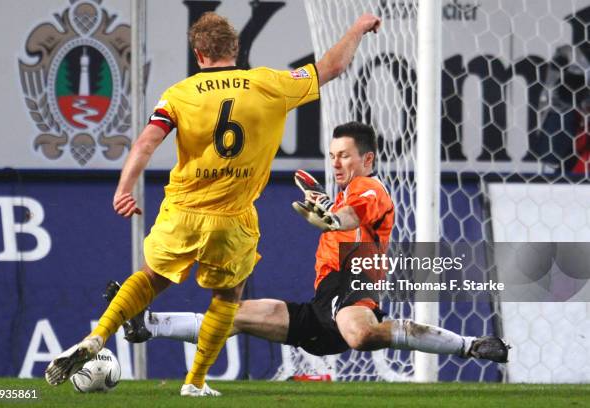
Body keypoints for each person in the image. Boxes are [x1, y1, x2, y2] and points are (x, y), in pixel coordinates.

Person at [45, 12, 382, 397]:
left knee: (151, 276)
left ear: (198, 53)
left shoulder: (179, 93)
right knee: (227, 298)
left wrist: (125, 188)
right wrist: (356, 28)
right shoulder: (270, 84)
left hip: (183, 212)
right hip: (232, 220)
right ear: (235, 49)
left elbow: (144, 144)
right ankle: (195, 382)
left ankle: (96, 336)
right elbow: (333, 66)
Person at [108, 122, 509, 367]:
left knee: (358, 332)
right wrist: (329, 210)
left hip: (354, 282)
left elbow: (351, 217)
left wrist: (333, 218)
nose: (337, 163)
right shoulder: (341, 194)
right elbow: (340, 213)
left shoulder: (368, 187)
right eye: (333, 156)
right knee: (231, 314)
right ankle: (147, 325)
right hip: (325, 303)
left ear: (367, 159)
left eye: (346, 156)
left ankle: (470, 345)